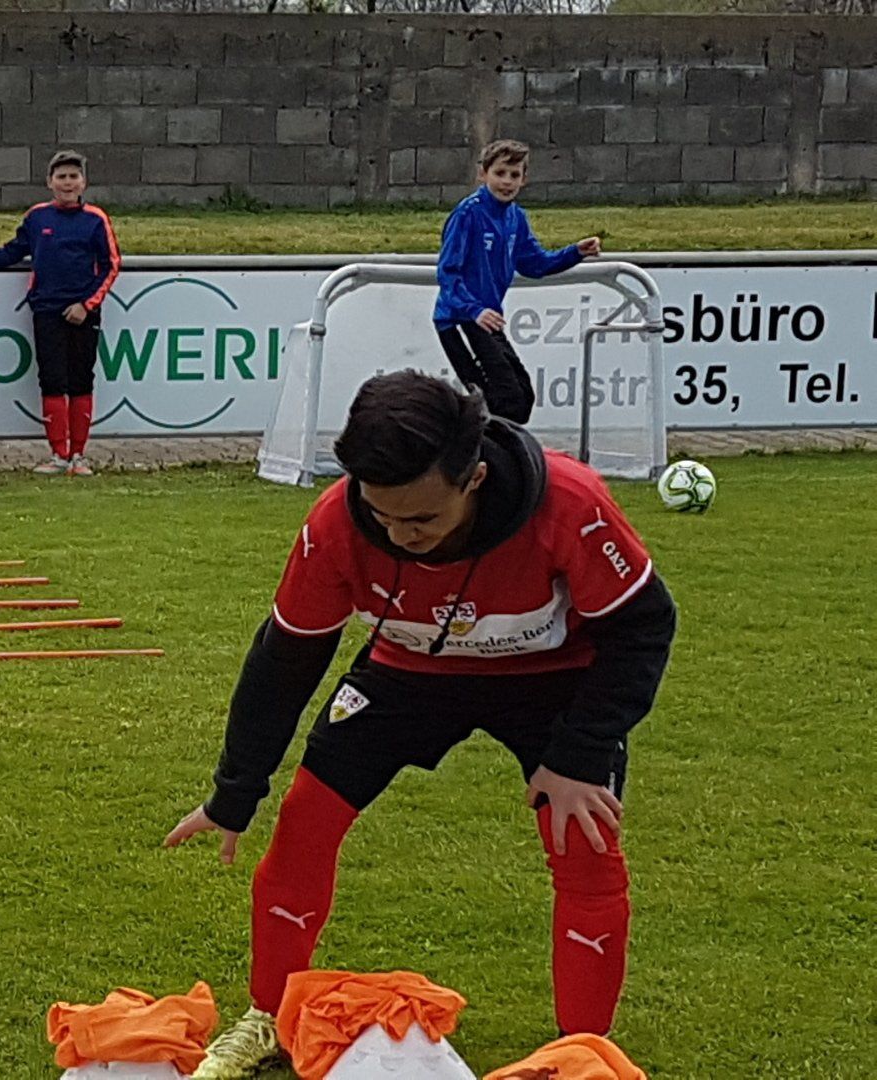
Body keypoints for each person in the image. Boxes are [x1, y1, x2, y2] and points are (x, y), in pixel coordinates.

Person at [165, 372, 676, 1078]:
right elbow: (286, 659)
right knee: (305, 821)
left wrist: (579, 755)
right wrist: (234, 791)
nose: (401, 538)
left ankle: (582, 1053)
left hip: (554, 680)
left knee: (584, 841)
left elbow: (644, 627)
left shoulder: (570, 503)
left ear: (475, 478)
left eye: (423, 520)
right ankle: (270, 1018)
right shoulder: (335, 524)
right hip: (408, 670)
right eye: (384, 518)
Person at [434, 139, 602, 425]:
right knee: (502, 399)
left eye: (514, 175)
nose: (507, 182)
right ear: (483, 174)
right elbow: (448, 273)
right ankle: (472, 445)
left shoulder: (516, 217)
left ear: (524, 179)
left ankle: (482, 444)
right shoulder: (467, 214)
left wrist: (575, 253)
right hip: (459, 319)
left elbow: (535, 263)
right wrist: (474, 310)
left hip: (487, 319)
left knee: (522, 396)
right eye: (500, 173)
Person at [0, 149, 120, 477]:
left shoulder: (96, 219)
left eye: (73, 176)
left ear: (83, 182)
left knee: (81, 381)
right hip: (46, 311)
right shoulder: (37, 217)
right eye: (61, 177)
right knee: (51, 381)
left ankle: (79, 456)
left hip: (83, 313)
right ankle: (58, 455)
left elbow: (111, 265)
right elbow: (11, 252)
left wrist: (87, 305)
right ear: (50, 182)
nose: (67, 183)